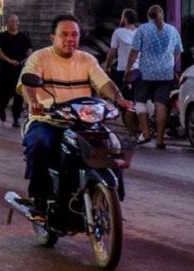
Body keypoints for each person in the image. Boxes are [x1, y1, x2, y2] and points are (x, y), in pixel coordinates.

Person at [17, 14, 133, 221]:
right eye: (64, 34)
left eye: (74, 35)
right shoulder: (40, 57)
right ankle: (40, 199)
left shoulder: (87, 59)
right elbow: (28, 83)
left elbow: (104, 82)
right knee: (40, 143)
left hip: (84, 122)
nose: (70, 39)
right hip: (49, 121)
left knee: (112, 145)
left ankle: (112, 200)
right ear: (53, 37)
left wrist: (120, 98)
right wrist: (33, 101)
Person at [124, 5, 182, 150]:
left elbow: (134, 51)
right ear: (161, 14)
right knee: (161, 104)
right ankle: (160, 140)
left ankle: (145, 132)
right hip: (165, 73)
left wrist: (128, 69)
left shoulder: (142, 29)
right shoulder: (172, 30)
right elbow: (177, 51)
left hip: (146, 73)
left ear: (148, 16)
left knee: (140, 101)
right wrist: (170, 65)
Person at [104, 9, 139, 135]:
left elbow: (112, 53)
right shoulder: (139, 32)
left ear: (124, 18)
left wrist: (107, 67)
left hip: (124, 71)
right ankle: (138, 129)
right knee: (138, 102)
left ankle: (131, 132)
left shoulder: (118, 32)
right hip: (140, 72)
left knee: (128, 103)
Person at [0, 14, 32, 128]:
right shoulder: (2, 36)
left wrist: (26, 59)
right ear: (7, 23)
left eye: (16, 21)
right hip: (6, 70)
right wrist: (9, 60)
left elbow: (29, 49)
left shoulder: (23, 37)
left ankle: (16, 118)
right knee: (5, 92)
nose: (14, 23)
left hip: (20, 70)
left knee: (19, 94)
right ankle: (2, 108)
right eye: (12, 21)